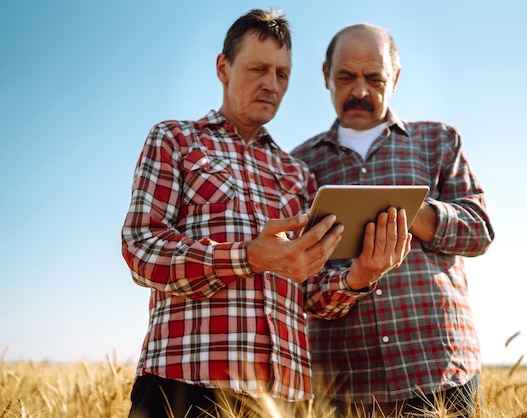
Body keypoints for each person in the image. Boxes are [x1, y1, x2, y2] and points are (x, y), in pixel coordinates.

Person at [121, 10, 411, 418]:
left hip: (282, 397)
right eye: (258, 68)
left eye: (282, 74)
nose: (271, 85)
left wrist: (359, 277)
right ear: (223, 67)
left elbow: (309, 290)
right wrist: (249, 256)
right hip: (184, 381)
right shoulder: (175, 140)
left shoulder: (298, 174)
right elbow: (141, 249)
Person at [292, 23, 495, 418]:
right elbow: (301, 283)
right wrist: (355, 279)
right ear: (325, 76)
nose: (361, 91)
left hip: (438, 368)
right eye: (346, 77)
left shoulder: (439, 140)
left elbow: (480, 232)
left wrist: (415, 212)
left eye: (375, 78)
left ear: (396, 78)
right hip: (346, 377)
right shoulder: (298, 164)